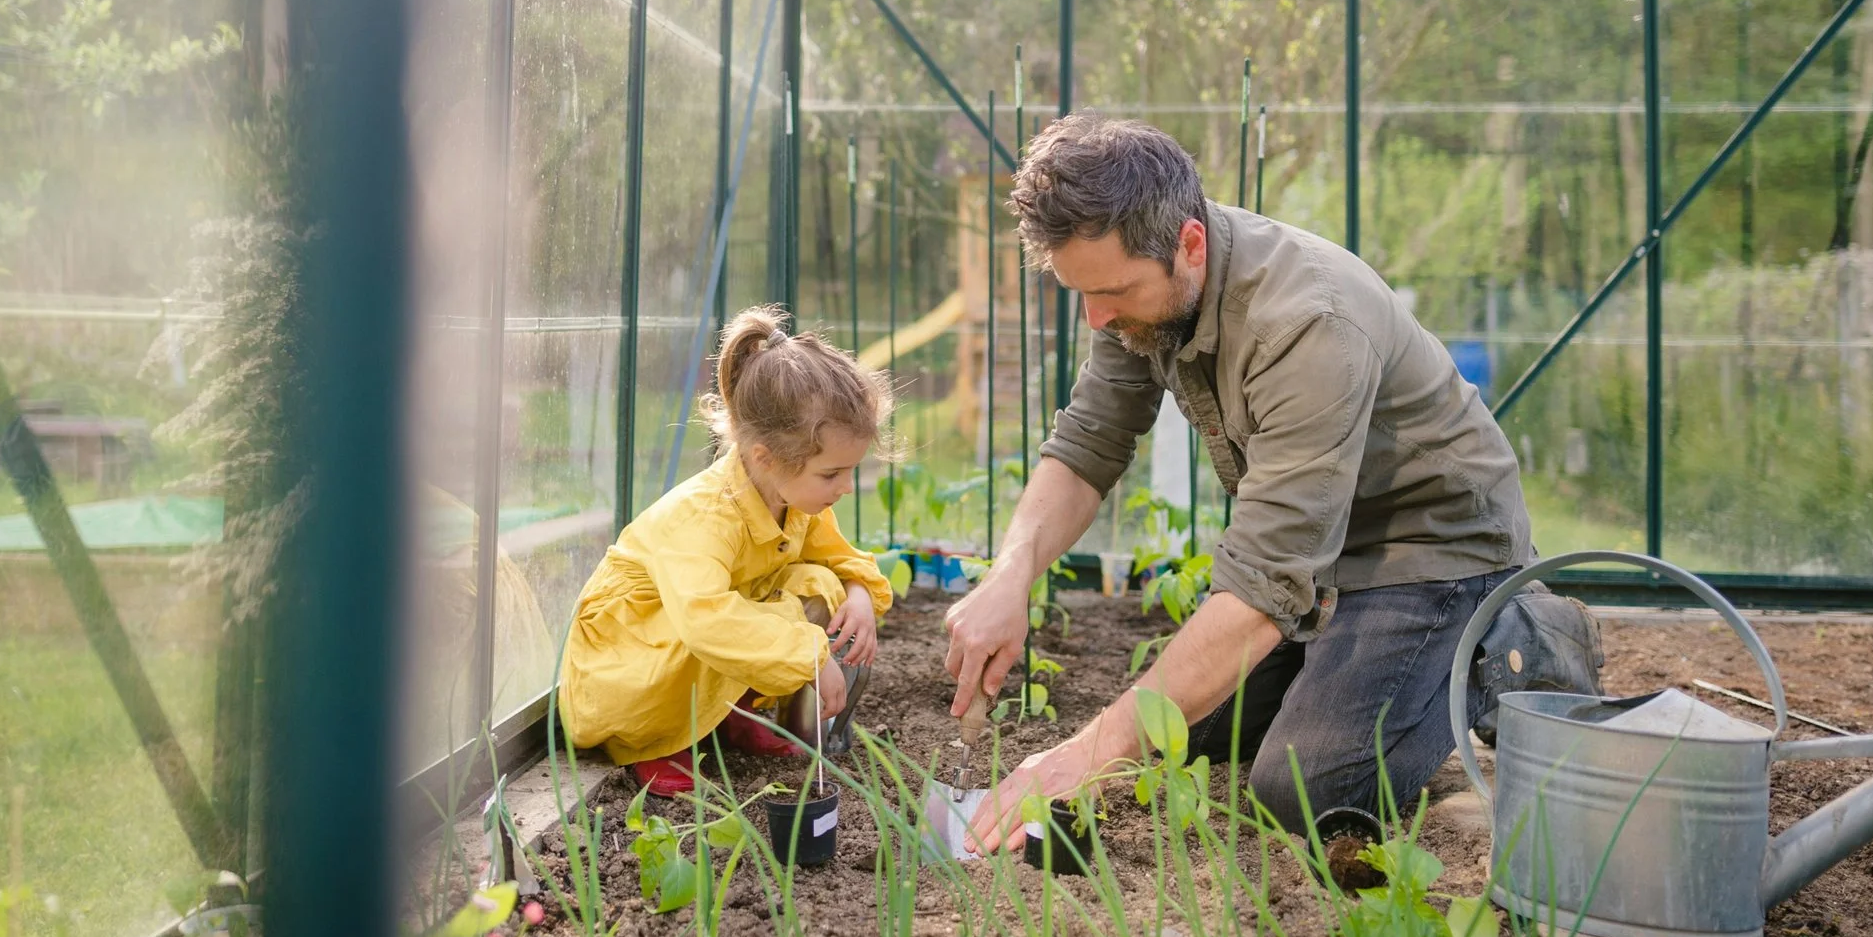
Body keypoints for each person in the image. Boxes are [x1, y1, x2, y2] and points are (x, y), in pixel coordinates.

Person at [945, 116, 1600, 850]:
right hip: (1322, 554)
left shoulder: (1307, 324)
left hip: (1432, 547)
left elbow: (1261, 590)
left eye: (1114, 292)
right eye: (1082, 294)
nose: (1097, 316)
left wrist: (1082, 755)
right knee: (1185, 735)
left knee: (1303, 790)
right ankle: (1350, 659)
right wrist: (1010, 577)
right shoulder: (1136, 292)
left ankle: (1512, 636)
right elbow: (1091, 440)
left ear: (1189, 245)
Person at [559, 306, 894, 796]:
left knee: (819, 582)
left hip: (693, 640)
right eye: (831, 473)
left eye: (850, 471)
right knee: (722, 618)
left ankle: (726, 714)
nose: (845, 487)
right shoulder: (705, 518)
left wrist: (859, 591)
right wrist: (809, 655)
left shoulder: (794, 496)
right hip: (628, 666)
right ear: (766, 457)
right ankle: (654, 742)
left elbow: (839, 557)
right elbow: (706, 621)